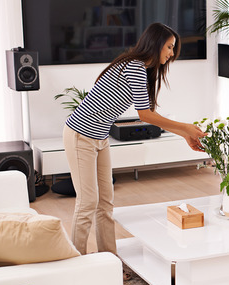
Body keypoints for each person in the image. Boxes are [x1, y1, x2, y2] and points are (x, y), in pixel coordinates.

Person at [62, 22, 205, 256]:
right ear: (156, 43)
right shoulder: (134, 66)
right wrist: (186, 129)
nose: (171, 54)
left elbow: (149, 114)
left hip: (100, 138)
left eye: (173, 49)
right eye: (169, 47)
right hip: (81, 135)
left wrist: (184, 134)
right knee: (88, 202)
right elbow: (145, 115)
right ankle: (74, 261)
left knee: (105, 203)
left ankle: (110, 258)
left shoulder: (142, 69)